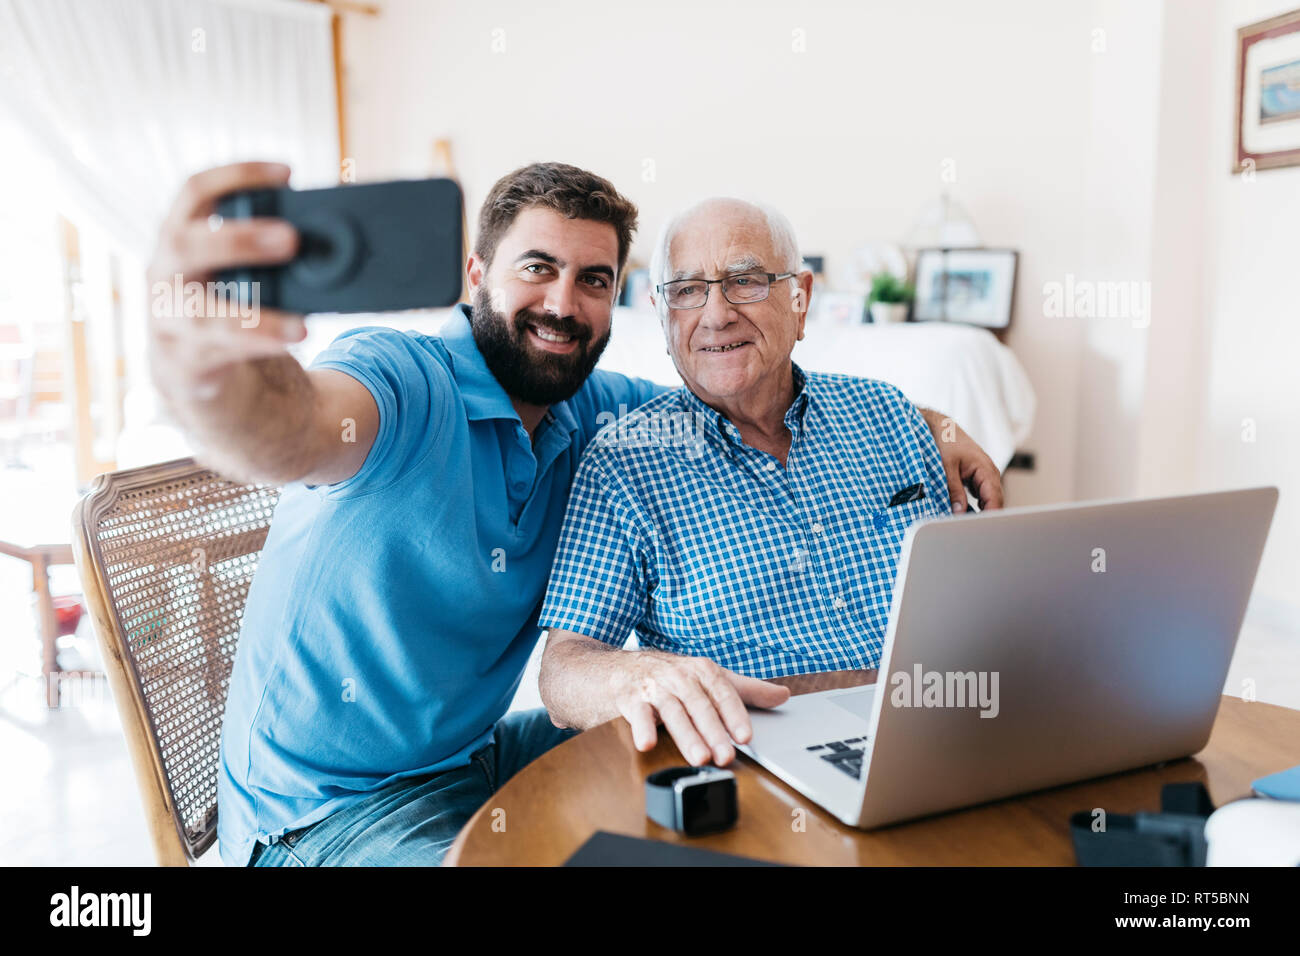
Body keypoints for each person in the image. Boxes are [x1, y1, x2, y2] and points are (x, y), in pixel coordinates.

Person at [146, 162, 1004, 866]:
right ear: (478, 275)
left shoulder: (593, 412)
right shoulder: (403, 383)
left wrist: (942, 426)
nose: (563, 303)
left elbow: (738, 382)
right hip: (331, 808)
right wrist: (205, 363)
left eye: (593, 280)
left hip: (473, 755)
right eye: (536, 269)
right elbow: (287, 428)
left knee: (693, 808)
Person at [538, 198, 955, 769]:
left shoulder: (888, 414)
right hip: (752, 763)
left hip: (943, 730)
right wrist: (641, 676)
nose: (716, 314)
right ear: (663, 317)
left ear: (800, 299)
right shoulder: (624, 463)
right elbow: (563, 673)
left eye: (746, 281)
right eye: (687, 290)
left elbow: (982, 601)